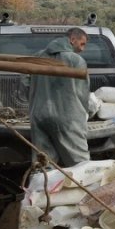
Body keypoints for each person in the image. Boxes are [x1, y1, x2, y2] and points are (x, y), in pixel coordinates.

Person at [29, 27, 91, 167]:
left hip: (38, 116)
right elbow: (83, 93)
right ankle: (84, 188)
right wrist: (87, 112)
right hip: (67, 117)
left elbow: (24, 80)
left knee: (43, 163)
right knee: (80, 164)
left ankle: (43, 188)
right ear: (72, 39)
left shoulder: (37, 56)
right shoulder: (76, 60)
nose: (82, 49)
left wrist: (34, 99)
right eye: (82, 44)